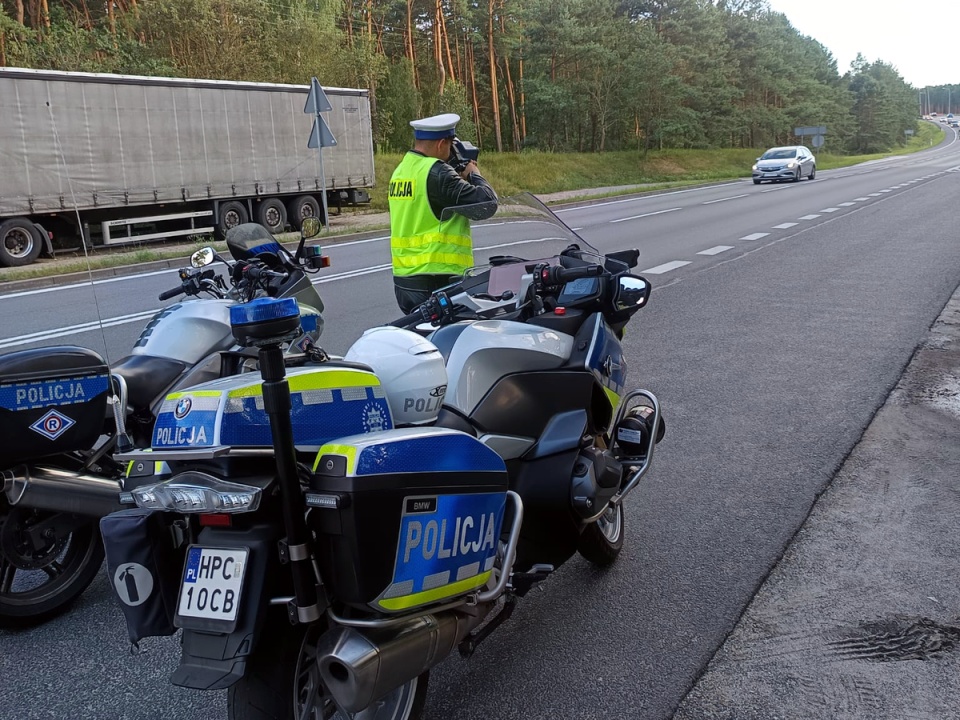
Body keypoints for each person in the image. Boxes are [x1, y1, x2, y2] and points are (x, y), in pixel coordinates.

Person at [389, 112, 498, 313]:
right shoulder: (437, 171)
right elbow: (486, 204)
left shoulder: (402, 170)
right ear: (441, 144)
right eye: (449, 147)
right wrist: (474, 174)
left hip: (405, 281)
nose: (450, 154)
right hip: (438, 282)